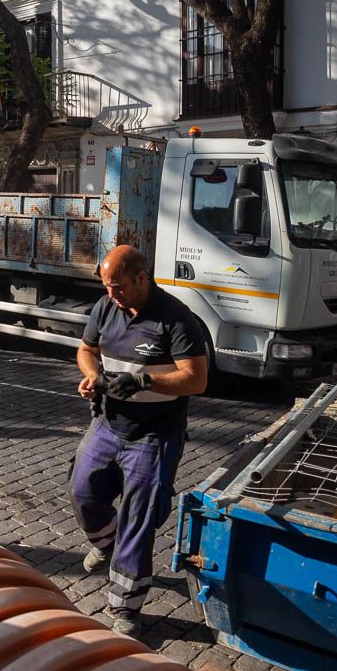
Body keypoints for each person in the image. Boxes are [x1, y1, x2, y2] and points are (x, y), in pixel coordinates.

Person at [73, 245, 209, 637]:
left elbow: (196, 379)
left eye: (118, 288)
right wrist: (92, 375)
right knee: (83, 491)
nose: (112, 295)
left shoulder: (177, 319)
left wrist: (144, 380)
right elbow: (86, 350)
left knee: (139, 518)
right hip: (108, 424)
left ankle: (126, 607)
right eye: (107, 287)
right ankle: (106, 542)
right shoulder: (105, 307)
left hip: (155, 435)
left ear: (141, 279)